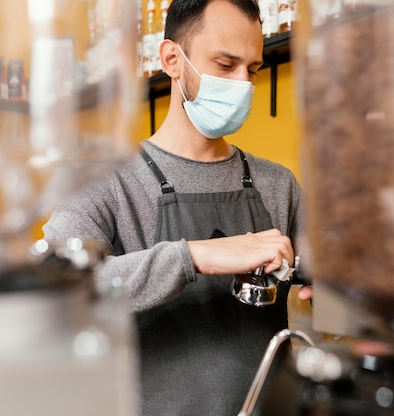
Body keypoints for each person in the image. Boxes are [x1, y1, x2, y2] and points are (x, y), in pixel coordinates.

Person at [43, 0, 304, 414]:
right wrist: (194, 256)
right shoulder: (108, 181)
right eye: (225, 65)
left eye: (252, 69)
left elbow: (330, 277)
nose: (244, 85)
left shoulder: (278, 183)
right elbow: (55, 288)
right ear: (172, 60)